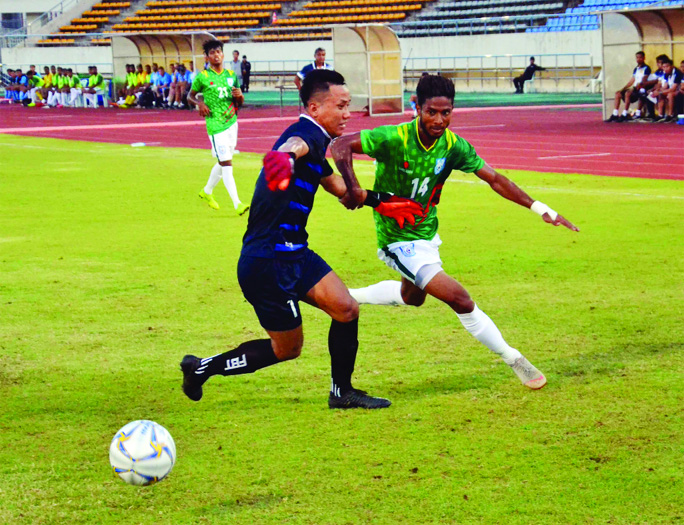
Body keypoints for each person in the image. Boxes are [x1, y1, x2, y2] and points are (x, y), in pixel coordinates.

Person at [180, 69, 420, 408]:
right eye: (341, 105)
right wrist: (283, 160)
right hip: (266, 262)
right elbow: (292, 148)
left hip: (296, 253)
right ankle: (201, 368)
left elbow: (342, 191)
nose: (348, 113)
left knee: (346, 309)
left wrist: (387, 202)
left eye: (348, 105)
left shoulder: (319, 143)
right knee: (287, 350)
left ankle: (342, 392)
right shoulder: (304, 133)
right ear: (315, 107)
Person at [331, 75, 580, 392]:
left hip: (427, 234)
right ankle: (513, 358)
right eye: (431, 112)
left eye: (446, 112)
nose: (438, 120)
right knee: (460, 299)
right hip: (396, 239)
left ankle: (349, 296)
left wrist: (539, 207)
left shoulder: (453, 146)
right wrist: (353, 188)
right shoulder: (393, 138)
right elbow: (339, 144)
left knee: (413, 298)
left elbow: (494, 178)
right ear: (417, 108)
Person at [190, 40, 249, 215]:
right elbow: (190, 96)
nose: (216, 55)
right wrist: (199, 103)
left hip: (232, 122)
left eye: (219, 52)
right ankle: (237, 203)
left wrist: (240, 96)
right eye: (212, 52)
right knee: (227, 163)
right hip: (215, 125)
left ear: (223, 54)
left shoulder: (231, 75)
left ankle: (207, 192)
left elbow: (239, 101)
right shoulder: (203, 77)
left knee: (223, 161)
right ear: (207, 57)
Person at [605, 51, 651, 122]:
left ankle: (625, 113)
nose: (638, 59)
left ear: (644, 58)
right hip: (634, 88)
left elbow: (643, 81)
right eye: (637, 58)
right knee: (618, 93)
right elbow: (631, 81)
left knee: (628, 93)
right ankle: (615, 114)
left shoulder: (647, 68)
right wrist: (622, 89)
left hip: (640, 89)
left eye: (640, 58)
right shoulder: (636, 69)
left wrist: (634, 88)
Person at [654, 58, 683, 123]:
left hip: (677, 90)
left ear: (672, 66)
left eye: (667, 66)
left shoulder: (677, 73)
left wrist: (661, 92)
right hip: (670, 89)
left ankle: (670, 115)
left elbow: (673, 88)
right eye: (664, 67)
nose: (665, 69)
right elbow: (665, 86)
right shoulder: (666, 74)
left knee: (670, 95)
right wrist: (658, 91)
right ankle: (660, 115)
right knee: (660, 94)